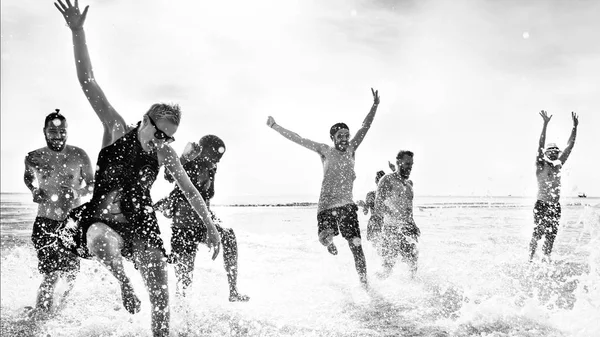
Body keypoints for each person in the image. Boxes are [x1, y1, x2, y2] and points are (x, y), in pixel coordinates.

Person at [55, 1, 220, 336]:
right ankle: (124, 283)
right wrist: (78, 32)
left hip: (142, 222)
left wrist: (212, 226)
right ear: (145, 120)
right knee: (100, 241)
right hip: (103, 219)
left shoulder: (165, 153)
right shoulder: (116, 129)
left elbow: (190, 191)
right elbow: (88, 82)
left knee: (161, 302)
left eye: (169, 138)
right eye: (158, 133)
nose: (162, 142)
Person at [265, 88, 380, 287]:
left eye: (347, 135)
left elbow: (365, 126)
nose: (344, 138)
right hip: (326, 206)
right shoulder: (325, 150)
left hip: (346, 206)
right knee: (325, 238)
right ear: (332, 138)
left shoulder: (352, 149)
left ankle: (364, 283)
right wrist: (275, 126)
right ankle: (329, 242)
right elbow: (297, 138)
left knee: (356, 246)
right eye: (340, 136)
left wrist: (375, 105)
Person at [154, 135, 249, 302]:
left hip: (204, 225)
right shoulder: (189, 161)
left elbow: (205, 198)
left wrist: (212, 222)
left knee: (229, 236)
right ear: (204, 150)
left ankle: (233, 292)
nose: (217, 161)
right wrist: (183, 158)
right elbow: (169, 177)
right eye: (214, 156)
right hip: (183, 228)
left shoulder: (212, 168)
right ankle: (181, 315)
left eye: (219, 158)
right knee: (184, 281)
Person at [23, 109, 95, 320]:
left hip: (72, 223)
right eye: (53, 132)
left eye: (62, 131)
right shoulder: (34, 157)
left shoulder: (79, 155)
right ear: (44, 132)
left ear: (67, 132)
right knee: (51, 274)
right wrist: (34, 190)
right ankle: (41, 314)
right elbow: (28, 179)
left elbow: (91, 185)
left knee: (71, 276)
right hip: (45, 222)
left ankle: (58, 314)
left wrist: (77, 192)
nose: (58, 136)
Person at [529, 110, 578, 262]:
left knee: (551, 235)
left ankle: (546, 260)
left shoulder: (558, 166)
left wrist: (575, 127)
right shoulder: (540, 165)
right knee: (538, 233)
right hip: (542, 204)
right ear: (546, 153)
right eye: (550, 152)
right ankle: (530, 259)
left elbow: (570, 146)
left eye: (556, 152)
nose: (553, 154)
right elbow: (540, 145)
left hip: (555, 206)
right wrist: (545, 124)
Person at [374, 150, 420, 279]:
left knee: (413, 263)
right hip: (391, 229)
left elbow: (409, 209)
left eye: (411, 164)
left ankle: (413, 292)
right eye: (407, 163)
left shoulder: (409, 185)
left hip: (407, 229)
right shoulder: (387, 179)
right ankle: (372, 290)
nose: (410, 167)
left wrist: (413, 224)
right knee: (387, 268)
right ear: (399, 162)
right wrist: (396, 218)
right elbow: (378, 205)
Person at [357, 170, 386, 243]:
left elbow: (365, 211)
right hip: (382, 222)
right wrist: (363, 205)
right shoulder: (389, 195)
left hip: (376, 222)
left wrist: (364, 206)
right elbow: (365, 211)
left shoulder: (371, 195)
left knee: (375, 246)